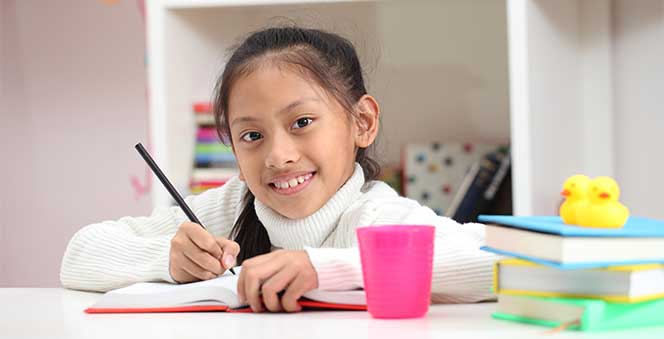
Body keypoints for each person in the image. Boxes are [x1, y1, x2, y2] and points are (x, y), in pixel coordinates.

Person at [60, 26, 498, 312]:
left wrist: (320, 268)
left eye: (302, 123)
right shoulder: (229, 207)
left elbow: (500, 261)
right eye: (252, 136)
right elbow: (79, 254)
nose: (278, 156)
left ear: (361, 122)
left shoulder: (377, 216)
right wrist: (168, 259)